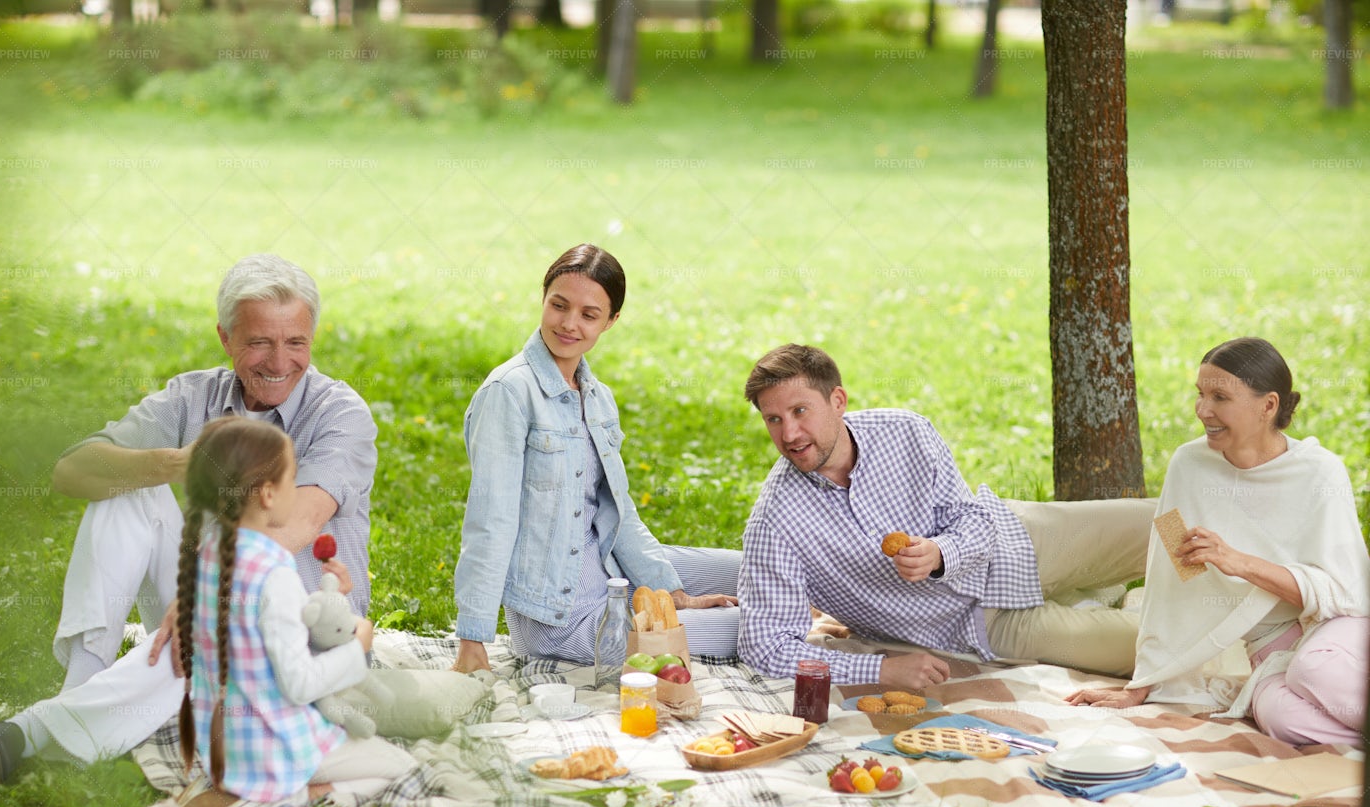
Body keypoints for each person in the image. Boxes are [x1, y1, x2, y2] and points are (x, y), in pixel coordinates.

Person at [0, 255, 377, 783]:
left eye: (295, 342)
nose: (279, 361)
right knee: (123, 491)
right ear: (226, 337)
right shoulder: (193, 396)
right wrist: (181, 461)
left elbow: (287, 528)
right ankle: (83, 684)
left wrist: (201, 595)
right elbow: (72, 472)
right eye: (259, 342)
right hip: (207, 598)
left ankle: (32, 732)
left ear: (311, 337)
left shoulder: (340, 414)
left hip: (302, 624)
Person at [737, 344, 1157, 691]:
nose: (788, 434)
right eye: (773, 419)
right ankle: (1111, 599)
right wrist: (882, 670)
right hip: (980, 627)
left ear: (837, 401)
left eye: (800, 411)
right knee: (1157, 646)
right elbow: (765, 647)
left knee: (1167, 524)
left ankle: (1105, 588)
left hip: (1018, 542)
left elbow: (970, 518)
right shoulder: (775, 522)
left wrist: (940, 552)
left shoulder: (905, 432)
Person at [1066, 338, 1369, 746]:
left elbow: (1347, 593)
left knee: (1314, 672)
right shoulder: (1186, 466)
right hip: (1270, 647)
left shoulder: (1321, 473)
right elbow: (1169, 578)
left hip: (1335, 630)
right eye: (1201, 394)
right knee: (1281, 719)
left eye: (1220, 397)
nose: (1203, 410)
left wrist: (1239, 562)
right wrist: (1141, 685)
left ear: (1269, 405)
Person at [451, 244, 739, 673]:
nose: (569, 324)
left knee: (750, 568)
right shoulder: (508, 393)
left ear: (610, 321)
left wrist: (669, 592)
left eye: (588, 315)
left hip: (610, 565)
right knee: (749, 624)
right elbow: (490, 521)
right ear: (543, 299)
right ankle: (820, 637)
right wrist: (472, 641)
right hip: (563, 616)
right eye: (559, 306)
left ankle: (843, 621)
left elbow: (618, 513)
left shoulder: (598, 398)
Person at [173, 417, 411, 807]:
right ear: (268, 494)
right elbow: (300, 684)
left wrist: (329, 602)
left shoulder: (209, 554)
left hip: (224, 749)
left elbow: (261, 638)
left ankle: (248, 790)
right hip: (277, 748)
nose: (295, 488)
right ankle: (288, 798)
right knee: (404, 770)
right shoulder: (274, 572)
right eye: (292, 478)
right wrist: (358, 646)